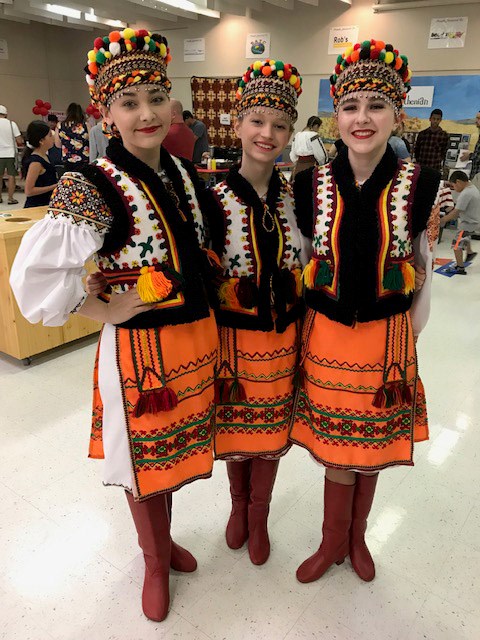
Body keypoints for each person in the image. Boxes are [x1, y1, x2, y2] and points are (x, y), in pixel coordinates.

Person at [10, 28, 218, 623]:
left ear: (173, 102)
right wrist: (100, 308)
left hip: (192, 340)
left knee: (171, 456)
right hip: (138, 352)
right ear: (106, 110)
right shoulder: (92, 184)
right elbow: (36, 276)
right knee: (141, 460)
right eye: (130, 102)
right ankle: (152, 560)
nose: (147, 113)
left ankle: (167, 540)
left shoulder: (182, 172)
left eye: (156, 97)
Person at [290, 38, 441, 585]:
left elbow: (422, 264)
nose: (363, 118)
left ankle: (357, 539)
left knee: (370, 442)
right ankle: (333, 540)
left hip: (387, 337)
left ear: (398, 114)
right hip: (328, 333)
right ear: (336, 116)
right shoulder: (308, 184)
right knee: (336, 446)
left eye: (376, 106)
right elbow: (306, 258)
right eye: (351, 106)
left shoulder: (419, 186)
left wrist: (411, 331)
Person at [206, 58, 309, 565]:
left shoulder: (298, 199)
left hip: (283, 336)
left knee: (270, 427)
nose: (267, 133)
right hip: (230, 338)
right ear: (239, 122)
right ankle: (238, 505)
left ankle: (260, 515)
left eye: (280, 124)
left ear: (291, 132)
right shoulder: (212, 198)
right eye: (258, 120)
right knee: (235, 424)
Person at [440, 170, 479, 274]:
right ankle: (470, 252)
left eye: (453, 186)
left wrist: (443, 220)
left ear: (458, 182)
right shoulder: (472, 187)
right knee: (465, 237)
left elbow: (456, 213)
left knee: (456, 245)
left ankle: (460, 267)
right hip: (474, 221)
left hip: (468, 223)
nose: (454, 189)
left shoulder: (466, 193)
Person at [22, 120, 58, 208]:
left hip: (47, 203)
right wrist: (54, 186)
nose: (53, 138)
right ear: (41, 141)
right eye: (50, 135)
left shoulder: (45, 156)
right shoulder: (36, 162)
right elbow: (29, 191)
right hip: (37, 206)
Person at [290, 115, 328, 180]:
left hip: (298, 167)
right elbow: (321, 155)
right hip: (310, 166)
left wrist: (297, 163)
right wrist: (322, 164)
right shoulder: (313, 136)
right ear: (316, 125)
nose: (318, 130)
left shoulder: (297, 135)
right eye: (319, 127)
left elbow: (293, 155)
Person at [55, 102, 90, 169]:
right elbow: (92, 142)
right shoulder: (86, 125)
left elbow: (57, 145)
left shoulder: (60, 125)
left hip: (68, 160)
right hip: (84, 159)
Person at [0, 104, 23, 205]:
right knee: (11, 176)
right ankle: (10, 198)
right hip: (10, 154)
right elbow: (19, 140)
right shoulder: (11, 124)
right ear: (5, 114)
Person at [414, 108, 449, 172]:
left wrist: (439, 160)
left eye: (438, 119)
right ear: (430, 119)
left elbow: (444, 151)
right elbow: (417, 150)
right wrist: (418, 161)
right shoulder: (422, 134)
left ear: (440, 120)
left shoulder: (444, 135)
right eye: (434, 118)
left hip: (435, 168)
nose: (435, 121)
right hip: (421, 167)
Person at [460, 110, 480, 185]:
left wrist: (469, 155)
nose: (476, 121)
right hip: (475, 177)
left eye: (479, 118)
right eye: (476, 118)